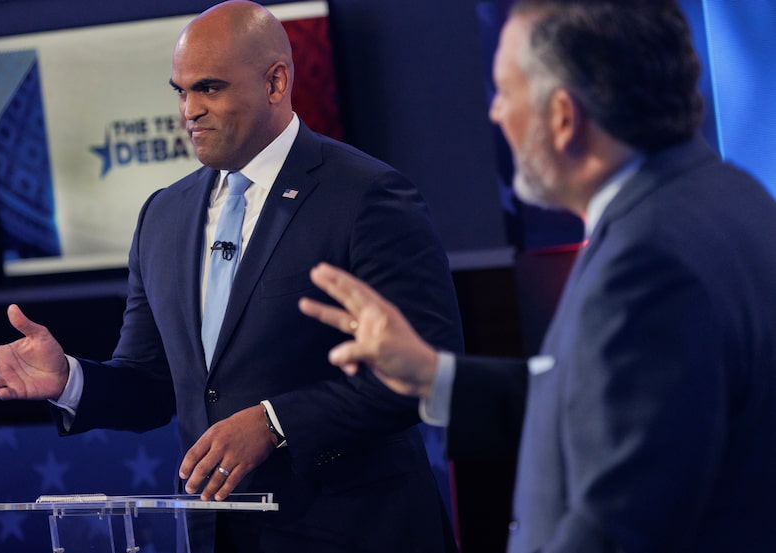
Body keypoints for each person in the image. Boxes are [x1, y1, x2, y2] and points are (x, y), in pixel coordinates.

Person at [0, 2, 464, 552]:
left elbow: (429, 369)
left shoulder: (367, 197)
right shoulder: (162, 215)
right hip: (217, 534)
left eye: (209, 89)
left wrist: (276, 423)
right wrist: (71, 381)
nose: (189, 111)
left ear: (275, 82)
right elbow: (151, 383)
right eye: (180, 91)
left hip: (358, 530)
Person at [299, 1, 776, 552]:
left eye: (504, 91)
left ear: (563, 117)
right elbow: (617, 411)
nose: (495, 113)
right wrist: (435, 376)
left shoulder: (647, 262)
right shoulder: (728, 196)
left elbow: (616, 530)